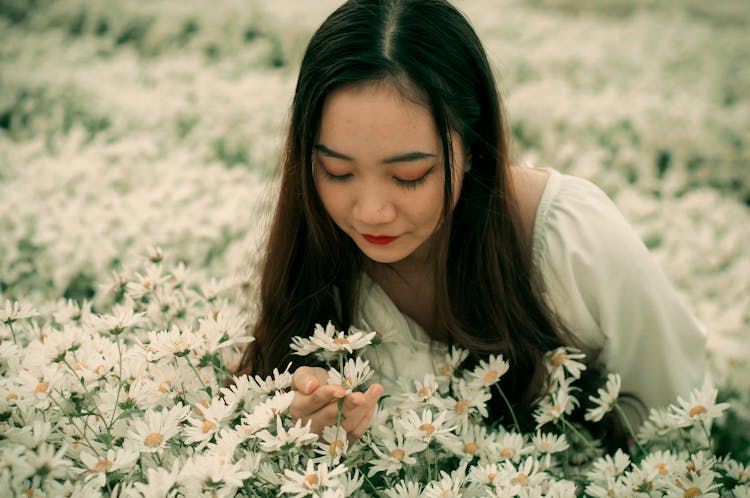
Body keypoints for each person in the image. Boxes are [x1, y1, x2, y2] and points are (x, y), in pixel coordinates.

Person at [235, 0, 706, 445]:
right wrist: (296, 431)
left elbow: (679, 422)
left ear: (474, 149)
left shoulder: (572, 238)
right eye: (337, 172)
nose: (370, 211)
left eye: (409, 175)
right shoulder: (310, 256)